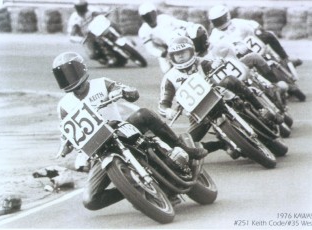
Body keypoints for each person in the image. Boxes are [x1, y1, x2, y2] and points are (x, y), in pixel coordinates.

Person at [52, 51, 210, 210]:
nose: (72, 81)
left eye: (71, 73)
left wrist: (122, 92)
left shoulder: (101, 83)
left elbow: (131, 93)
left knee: (144, 114)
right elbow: (67, 132)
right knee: (90, 200)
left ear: (81, 69)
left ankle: (184, 149)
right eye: (64, 75)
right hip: (99, 151)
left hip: (120, 130)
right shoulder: (64, 106)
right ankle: (137, 191)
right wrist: (64, 145)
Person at [159, 36, 282, 150]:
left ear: (191, 52)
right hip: (196, 112)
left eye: (183, 53)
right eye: (176, 54)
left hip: (217, 95)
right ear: (171, 56)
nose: (180, 56)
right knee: (184, 145)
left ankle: (260, 108)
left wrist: (216, 63)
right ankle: (223, 144)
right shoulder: (169, 77)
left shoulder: (200, 62)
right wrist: (168, 111)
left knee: (230, 80)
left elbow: (212, 63)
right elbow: (163, 104)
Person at [207, 4, 302, 68]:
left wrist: (258, 29)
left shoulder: (236, 22)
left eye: (221, 19)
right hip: (239, 57)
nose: (220, 21)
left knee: (268, 35)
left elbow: (253, 25)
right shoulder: (214, 36)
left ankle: (285, 58)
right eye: (218, 20)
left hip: (251, 45)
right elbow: (215, 53)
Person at [138, 2, 195, 74]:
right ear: (143, 18)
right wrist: (162, 54)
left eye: (152, 14)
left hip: (178, 41)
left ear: (155, 13)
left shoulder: (164, 18)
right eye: (147, 16)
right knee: (166, 70)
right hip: (164, 49)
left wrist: (190, 25)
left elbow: (179, 23)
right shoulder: (143, 31)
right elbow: (150, 48)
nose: (151, 18)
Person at [67, 0, 118, 66]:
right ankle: (105, 58)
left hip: (98, 29)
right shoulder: (74, 18)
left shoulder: (91, 10)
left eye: (83, 6)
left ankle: (121, 40)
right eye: (80, 7)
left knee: (111, 25)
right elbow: (71, 35)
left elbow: (101, 14)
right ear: (76, 8)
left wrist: (108, 12)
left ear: (86, 6)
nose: (82, 9)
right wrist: (81, 39)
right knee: (92, 55)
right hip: (87, 37)